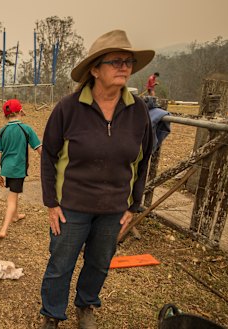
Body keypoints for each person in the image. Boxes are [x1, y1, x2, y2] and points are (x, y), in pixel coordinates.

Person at [39, 30, 155, 329]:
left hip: (115, 207)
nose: (124, 67)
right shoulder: (69, 107)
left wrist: (133, 205)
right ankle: (52, 313)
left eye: (128, 61)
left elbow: (143, 160)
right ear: (94, 69)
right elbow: (49, 155)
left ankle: (86, 303)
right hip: (71, 205)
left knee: (99, 262)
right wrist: (51, 202)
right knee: (60, 263)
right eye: (115, 61)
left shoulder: (138, 110)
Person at [0, 99, 42, 239]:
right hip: (18, 169)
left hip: (6, 168)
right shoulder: (26, 129)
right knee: (12, 198)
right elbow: (39, 149)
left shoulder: (3, 130)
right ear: (20, 111)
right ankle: (3, 230)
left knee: (14, 191)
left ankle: (16, 215)